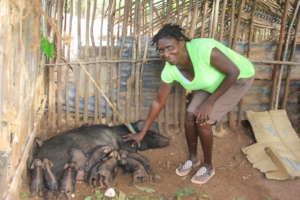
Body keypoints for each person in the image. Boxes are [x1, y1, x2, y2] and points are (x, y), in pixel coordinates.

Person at [123, 24, 255, 184]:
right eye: (161, 50)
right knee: (189, 115)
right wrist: (142, 132)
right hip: (209, 83)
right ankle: (193, 159)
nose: (165, 54)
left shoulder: (203, 49)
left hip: (238, 78)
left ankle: (208, 166)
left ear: (181, 42)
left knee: (202, 120)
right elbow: (158, 102)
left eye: (169, 47)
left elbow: (233, 72)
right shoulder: (170, 70)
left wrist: (210, 103)